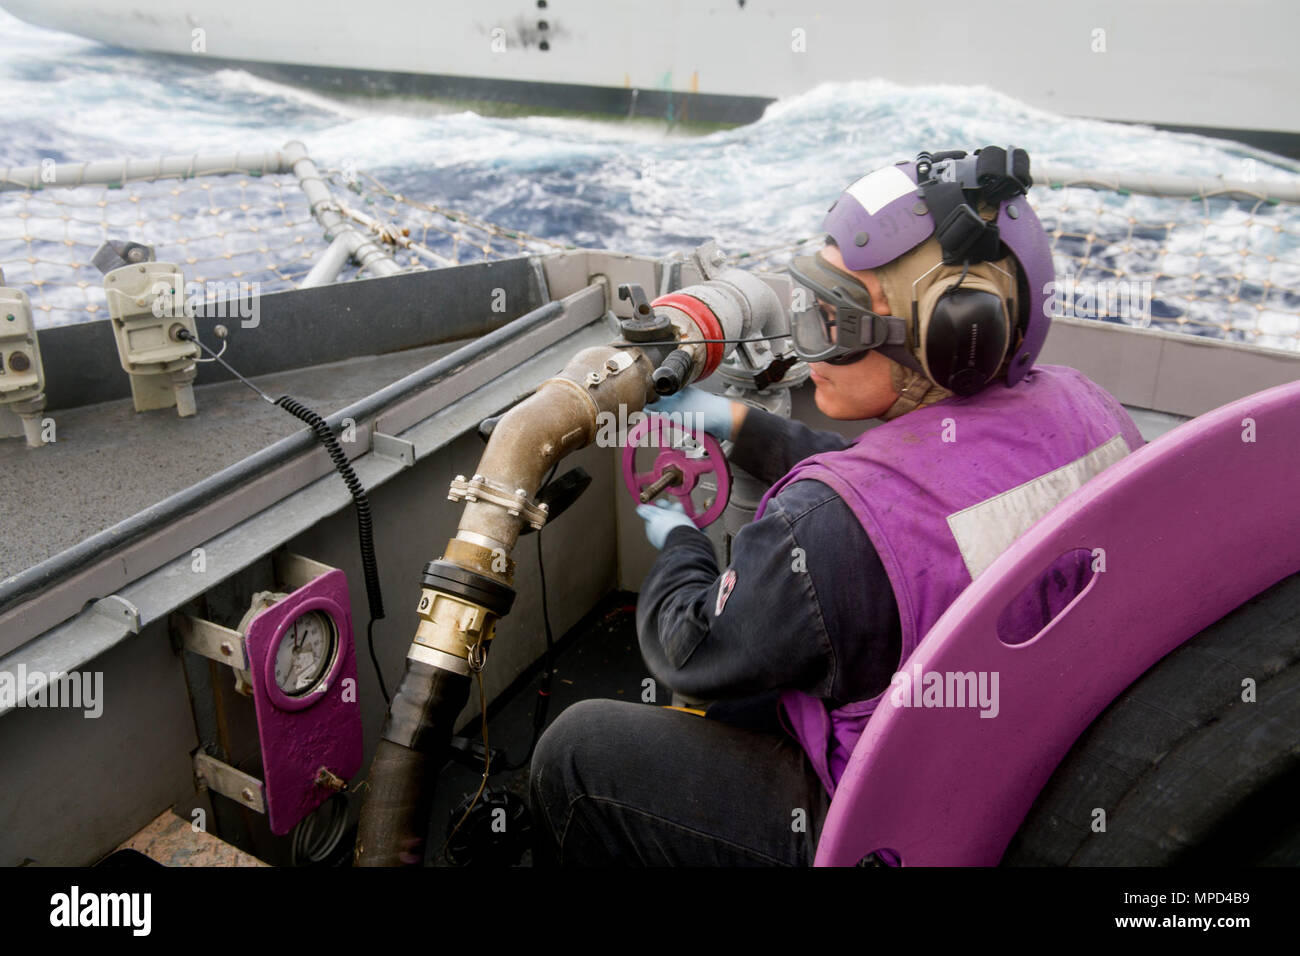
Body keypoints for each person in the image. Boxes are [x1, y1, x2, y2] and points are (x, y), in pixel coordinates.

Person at [528, 147, 1146, 866]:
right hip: (1025, 776)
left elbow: (687, 648)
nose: (808, 341)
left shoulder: (827, 535)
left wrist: (679, 537)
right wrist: (740, 426)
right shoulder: (1087, 407)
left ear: (950, 339)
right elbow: (912, 495)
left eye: (836, 318)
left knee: (577, 753)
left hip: (894, 835)